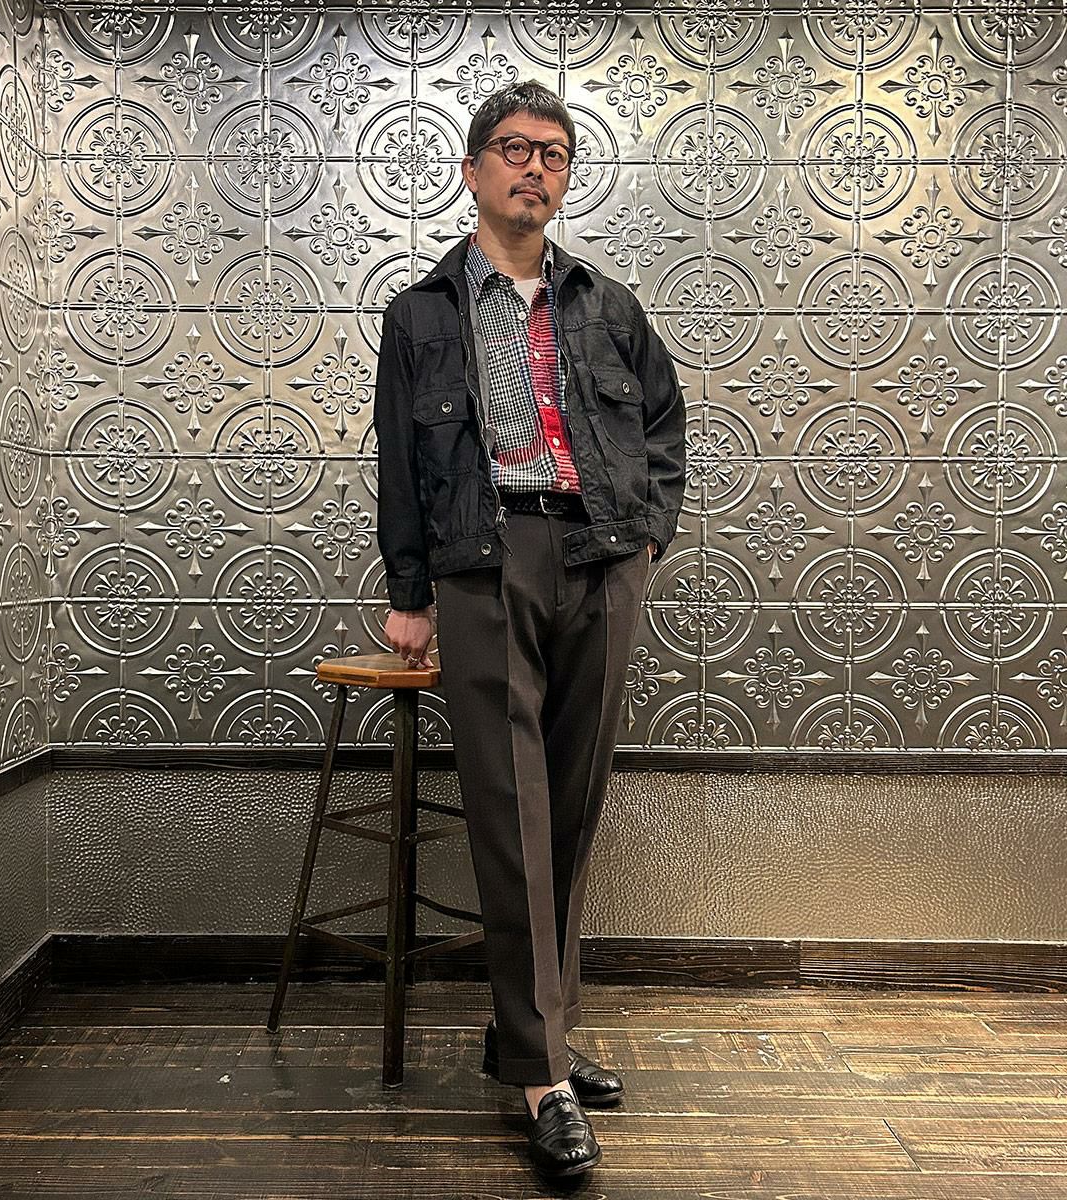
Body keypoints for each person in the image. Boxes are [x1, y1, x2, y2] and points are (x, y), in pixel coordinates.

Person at [374, 79, 686, 1180]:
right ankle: (542, 1076)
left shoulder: (608, 305)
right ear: (472, 171)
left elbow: (663, 427)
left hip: (600, 558)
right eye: (514, 149)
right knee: (510, 812)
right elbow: (400, 460)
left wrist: (648, 539)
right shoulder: (420, 314)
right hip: (483, 558)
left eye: (553, 153)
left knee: (572, 800)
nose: (534, 168)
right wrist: (409, 591)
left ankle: (533, 1029)